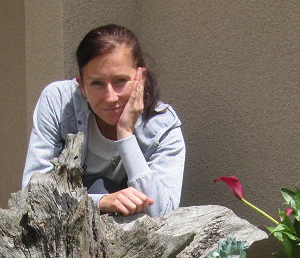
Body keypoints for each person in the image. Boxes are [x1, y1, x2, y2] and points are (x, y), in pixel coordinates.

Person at [21, 24, 185, 218]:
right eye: (97, 83)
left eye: (120, 81)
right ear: (81, 85)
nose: (110, 97)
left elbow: (162, 213)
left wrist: (125, 133)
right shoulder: (58, 102)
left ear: (140, 78)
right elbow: (33, 195)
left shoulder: (163, 127)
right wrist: (100, 202)